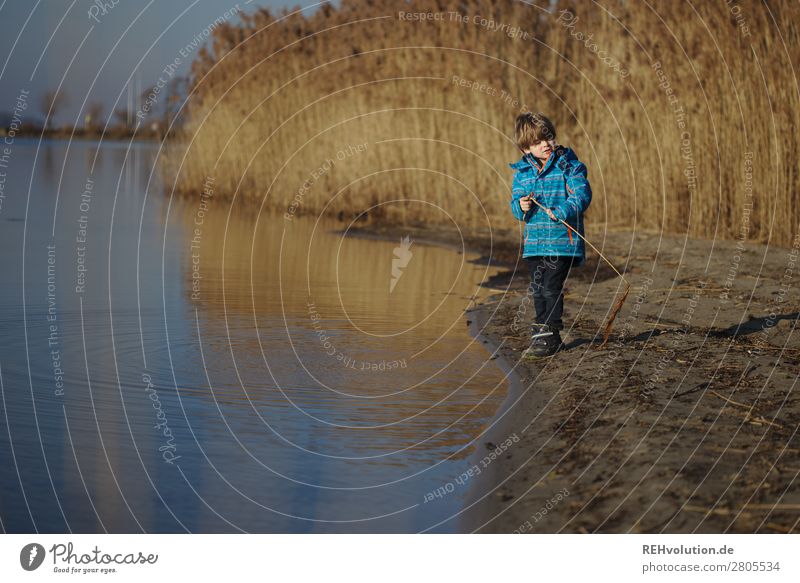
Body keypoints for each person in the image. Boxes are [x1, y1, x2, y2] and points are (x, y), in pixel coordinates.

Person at [509, 112, 592, 357]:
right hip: (535, 244)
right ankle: (541, 335)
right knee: (538, 287)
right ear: (526, 148)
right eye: (536, 142)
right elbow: (516, 205)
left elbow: (582, 196)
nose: (545, 144)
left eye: (548, 138)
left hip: (562, 242)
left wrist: (563, 210)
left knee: (550, 286)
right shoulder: (523, 173)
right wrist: (521, 207)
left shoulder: (570, 166)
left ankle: (551, 335)